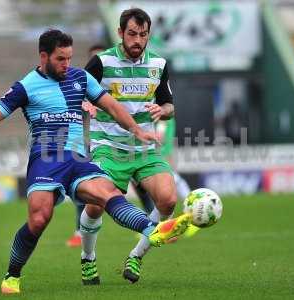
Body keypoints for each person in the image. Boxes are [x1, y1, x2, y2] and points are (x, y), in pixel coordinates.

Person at [0, 29, 192, 294]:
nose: (67, 65)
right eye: (61, 59)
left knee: (109, 194)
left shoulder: (80, 78)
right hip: (46, 158)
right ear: (44, 56)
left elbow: (113, 107)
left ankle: (153, 229)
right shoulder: (26, 86)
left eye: (69, 58)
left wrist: (137, 130)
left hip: (78, 158)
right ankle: (13, 274)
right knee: (39, 218)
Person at [81, 8, 189, 284]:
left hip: (144, 148)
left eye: (143, 35)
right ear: (120, 33)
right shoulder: (100, 62)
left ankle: (136, 256)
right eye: (132, 34)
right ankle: (88, 258)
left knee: (167, 199)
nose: (137, 40)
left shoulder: (159, 65)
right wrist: (85, 104)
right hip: (109, 146)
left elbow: (169, 106)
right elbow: (76, 91)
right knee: (95, 206)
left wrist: (162, 111)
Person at [66, 44, 107, 248]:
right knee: (83, 187)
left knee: (142, 185)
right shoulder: (80, 83)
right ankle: (79, 231)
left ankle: (153, 224)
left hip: (120, 143)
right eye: (93, 58)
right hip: (88, 143)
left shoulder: (117, 82)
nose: (97, 61)